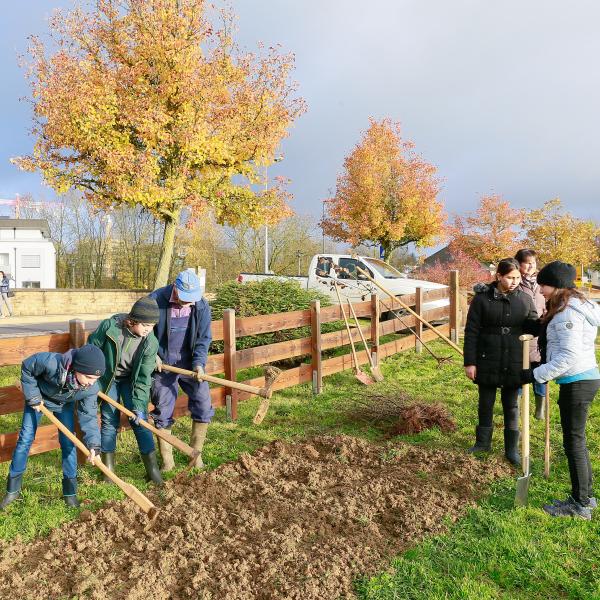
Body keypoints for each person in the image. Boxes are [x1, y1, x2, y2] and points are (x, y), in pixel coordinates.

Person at [522, 261, 600, 520]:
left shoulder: (568, 313)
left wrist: (535, 374)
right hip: (581, 379)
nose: (540, 290)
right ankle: (585, 498)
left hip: (577, 381)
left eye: (543, 285)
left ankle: (580, 505)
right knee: (577, 442)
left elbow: (568, 355)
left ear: (555, 285)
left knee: (574, 444)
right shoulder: (572, 306)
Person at [0, 344, 106, 510]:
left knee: (68, 443)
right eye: (88, 377)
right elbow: (28, 366)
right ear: (76, 368)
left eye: (96, 379)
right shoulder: (51, 363)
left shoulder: (90, 389)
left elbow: (89, 417)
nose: (91, 383)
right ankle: (12, 490)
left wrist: (94, 445)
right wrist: (33, 396)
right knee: (25, 439)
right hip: (38, 400)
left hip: (64, 405)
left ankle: (70, 494)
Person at [463, 257, 539, 466]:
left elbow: (532, 326)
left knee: (511, 405)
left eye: (517, 277)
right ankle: (482, 443)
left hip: (514, 358)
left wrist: (543, 321)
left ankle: (511, 450)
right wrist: (470, 362)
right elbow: (471, 332)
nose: (514, 281)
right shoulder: (482, 299)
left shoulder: (524, 299)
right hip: (487, 357)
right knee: (485, 403)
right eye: (509, 277)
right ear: (498, 276)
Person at [88, 296, 162, 485]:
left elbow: (144, 378)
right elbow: (92, 349)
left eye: (152, 326)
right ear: (133, 320)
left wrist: (138, 405)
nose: (148, 330)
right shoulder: (110, 327)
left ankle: (152, 472)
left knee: (140, 421)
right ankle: (108, 472)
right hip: (108, 379)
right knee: (108, 420)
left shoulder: (150, 342)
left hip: (131, 380)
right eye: (145, 325)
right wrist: (92, 378)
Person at [150, 270, 213, 471]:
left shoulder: (201, 306)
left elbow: (204, 338)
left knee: (203, 402)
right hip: (163, 363)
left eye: (191, 300)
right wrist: (153, 354)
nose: (188, 304)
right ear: (175, 288)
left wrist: (199, 363)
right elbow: (143, 332)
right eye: (185, 300)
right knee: (163, 407)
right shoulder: (155, 300)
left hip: (189, 361)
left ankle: (196, 456)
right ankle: (168, 461)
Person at [515, 248, 547, 419]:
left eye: (533, 262)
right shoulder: (515, 282)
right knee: (520, 372)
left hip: (540, 333)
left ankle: (539, 408)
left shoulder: (542, 283)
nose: (530, 266)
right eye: (526, 262)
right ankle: (518, 407)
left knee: (540, 372)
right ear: (519, 264)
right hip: (521, 334)